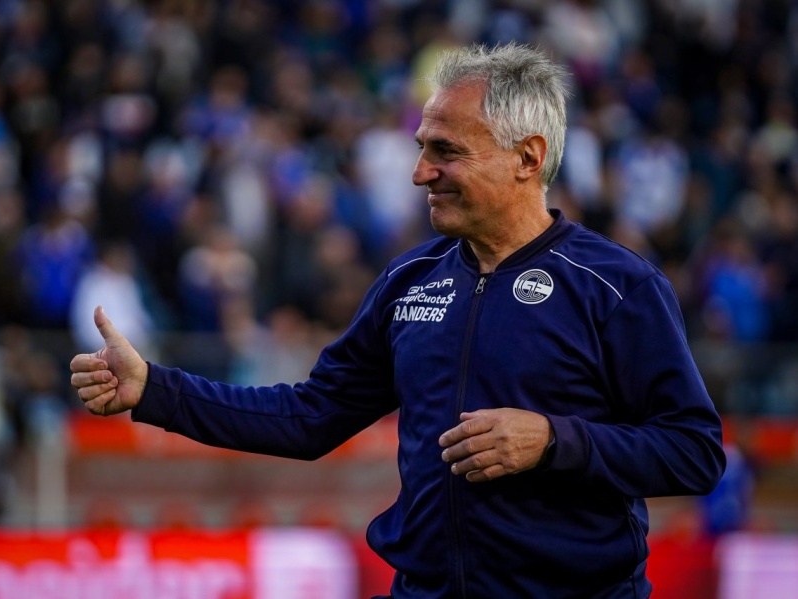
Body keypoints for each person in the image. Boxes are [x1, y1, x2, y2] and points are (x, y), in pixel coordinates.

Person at [70, 43, 726, 599]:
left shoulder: (616, 285)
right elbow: (309, 416)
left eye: (446, 151)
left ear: (527, 158)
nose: (420, 173)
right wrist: (154, 389)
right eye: (421, 148)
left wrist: (555, 439)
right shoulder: (409, 279)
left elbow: (693, 452)